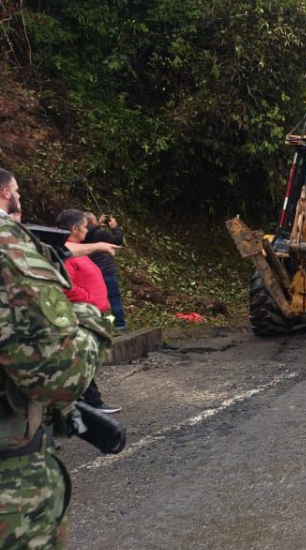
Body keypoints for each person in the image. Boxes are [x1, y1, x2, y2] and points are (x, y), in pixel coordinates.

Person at [0, 168, 113, 549]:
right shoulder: (7, 249)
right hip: (12, 491)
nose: (19, 196)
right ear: (4, 193)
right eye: (16, 190)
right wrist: (93, 324)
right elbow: (58, 373)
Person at [58, 209, 122, 414]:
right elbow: (66, 286)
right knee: (83, 360)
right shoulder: (67, 254)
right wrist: (88, 299)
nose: (88, 230)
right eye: (85, 226)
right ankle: (91, 403)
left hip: (94, 311)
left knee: (88, 359)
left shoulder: (79, 249)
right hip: (82, 313)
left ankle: (88, 402)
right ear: (74, 229)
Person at [82, 212, 128, 331]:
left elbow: (91, 231)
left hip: (91, 272)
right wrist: (114, 228)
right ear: (92, 222)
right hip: (107, 271)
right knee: (114, 298)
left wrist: (97, 225)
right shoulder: (100, 233)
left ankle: (98, 326)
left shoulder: (79, 235)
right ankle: (120, 325)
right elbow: (117, 240)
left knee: (95, 300)